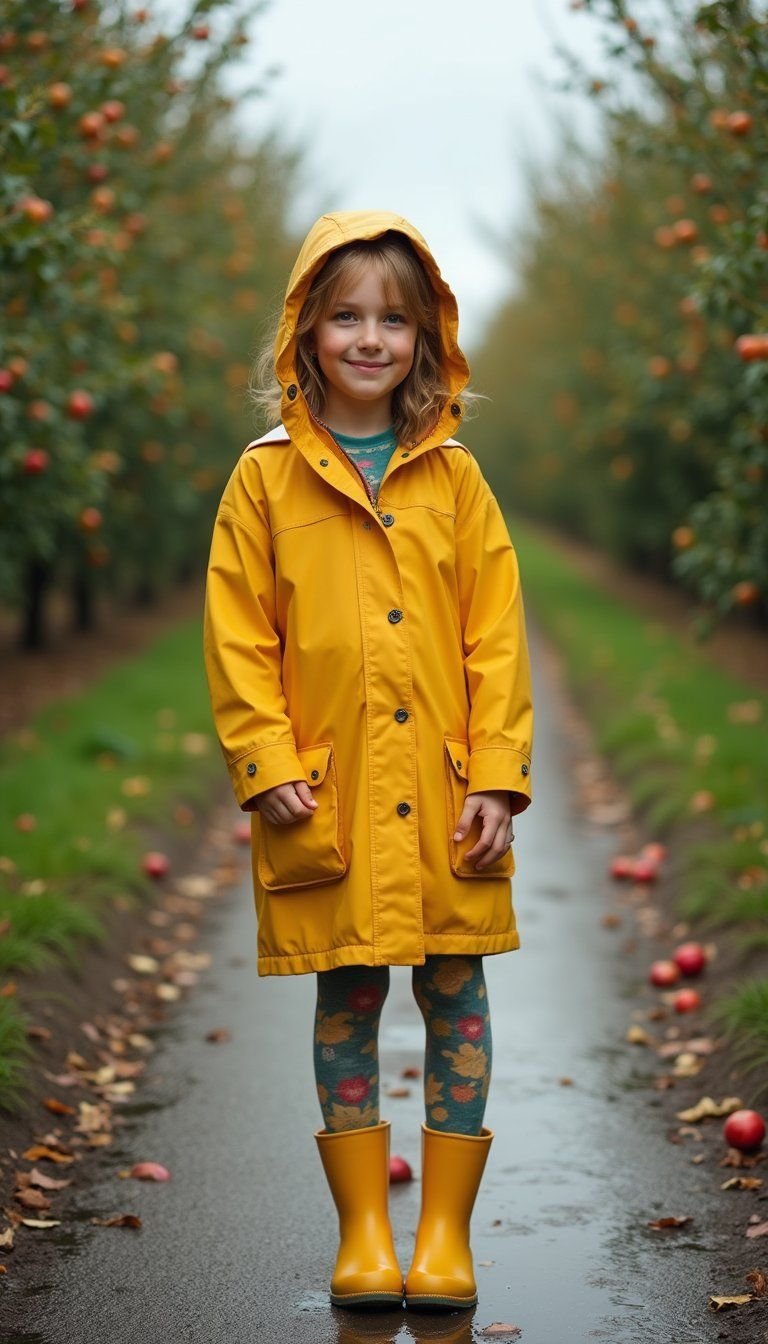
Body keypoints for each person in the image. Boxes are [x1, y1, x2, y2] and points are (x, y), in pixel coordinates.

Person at [203, 210, 534, 1312]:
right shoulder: (264, 482)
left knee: (457, 991)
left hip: (445, 794)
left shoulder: (456, 479)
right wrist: (264, 760)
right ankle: (362, 1234)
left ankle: (442, 1237)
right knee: (346, 993)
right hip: (327, 793)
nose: (369, 338)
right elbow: (240, 634)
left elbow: (495, 632)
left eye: (394, 319)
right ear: (305, 331)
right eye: (345, 315)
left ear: (425, 338)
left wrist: (497, 771)